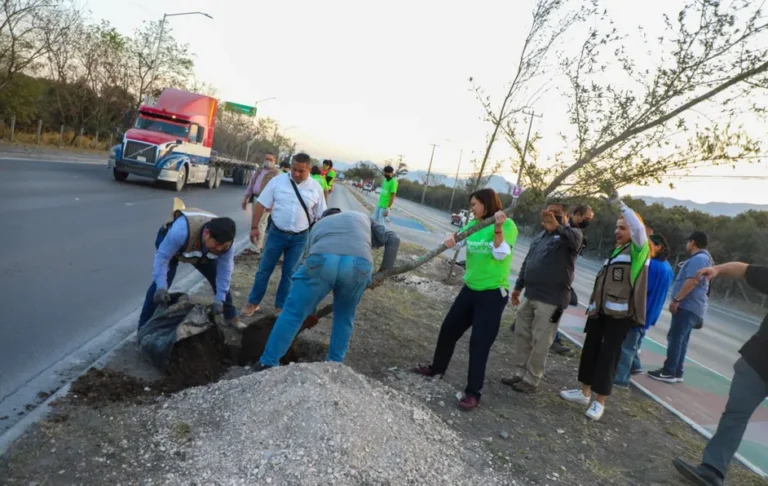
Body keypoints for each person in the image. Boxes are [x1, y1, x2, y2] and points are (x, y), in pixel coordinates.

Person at [414, 188, 519, 411]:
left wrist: (498, 228)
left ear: (487, 203)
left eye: (474, 205)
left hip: (492, 293)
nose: (471, 209)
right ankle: (437, 369)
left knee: (479, 344)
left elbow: (500, 254)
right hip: (470, 288)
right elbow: (458, 241)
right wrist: (451, 240)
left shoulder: (507, 226)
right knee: (448, 330)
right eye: (471, 205)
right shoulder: (475, 225)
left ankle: (473, 392)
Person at [255, 209, 401, 369]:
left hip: (321, 260)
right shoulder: (363, 217)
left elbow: (306, 262)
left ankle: (267, 363)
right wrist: (383, 273)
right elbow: (394, 239)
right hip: (358, 265)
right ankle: (334, 366)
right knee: (344, 318)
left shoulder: (318, 225)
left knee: (292, 313)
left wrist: (310, 311)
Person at [673, 262, 768, 486]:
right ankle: (712, 470)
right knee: (735, 415)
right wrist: (717, 270)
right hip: (758, 362)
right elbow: (745, 270)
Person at [559, 189, 650, 421]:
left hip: (619, 318)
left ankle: (600, 402)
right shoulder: (617, 250)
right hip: (600, 313)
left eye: (623, 227)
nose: (617, 231)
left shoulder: (639, 251)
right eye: (616, 227)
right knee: (590, 351)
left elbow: (639, 229)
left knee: (608, 358)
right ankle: (584, 393)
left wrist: (619, 204)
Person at [501, 202, 582, 393]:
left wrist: (559, 227)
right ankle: (519, 373)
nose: (552, 217)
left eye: (557, 214)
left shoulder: (572, 234)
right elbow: (529, 261)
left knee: (542, 341)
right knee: (522, 334)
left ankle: (532, 380)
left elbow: (575, 243)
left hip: (553, 301)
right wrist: (518, 287)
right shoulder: (540, 236)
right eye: (549, 213)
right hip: (530, 295)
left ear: (566, 215)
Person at [241, 153, 327, 316]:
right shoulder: (278, 181)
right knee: (264, 270)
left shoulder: (316, 188)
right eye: (294, 169)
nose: (296, 174)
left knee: (290, 273)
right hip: (276, 234)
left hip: (300, 238)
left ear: (309, 169)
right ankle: (253, 303)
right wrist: (254, 227)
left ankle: (281, 307)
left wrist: (319, 239)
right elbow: (261, 204)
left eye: (301, 171)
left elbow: (321, 215)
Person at [138, 202, 239, 329]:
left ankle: (230, 316)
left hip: (202, 252)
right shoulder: (179, 232)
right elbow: (162, 258)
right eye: (217, 244)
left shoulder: (225, 245)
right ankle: (143, 327)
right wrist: (161, 285)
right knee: (159, 289)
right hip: (172, 245)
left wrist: (220, 299)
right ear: (207, 233)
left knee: (219, 281)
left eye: (224, 246)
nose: (219, 249)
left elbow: (225, 271)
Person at [649, 231, 712, 384]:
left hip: (687, 306)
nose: (687, 245)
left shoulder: (699, 259)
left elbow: (692, 281)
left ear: (693, 242)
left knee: (675, 338)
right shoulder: (705, 258)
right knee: (681, 340)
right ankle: (677, 371)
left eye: (688, 241)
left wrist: (677, 300)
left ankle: (669, 371)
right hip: (692, 307)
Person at [614, 233, 674, 387]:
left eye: (648, 244)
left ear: (658, 247)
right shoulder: (667, 267)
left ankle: (620, 379)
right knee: (634, 343)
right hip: (650, 313)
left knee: (627, 347)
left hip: (639, 311)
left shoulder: (652, 266)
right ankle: (635, 366)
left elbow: (642, 288)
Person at [241, 153, 280, 256]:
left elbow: (277, 191)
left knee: (261, 224)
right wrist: (245, 198)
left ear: (275, 161)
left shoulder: (276, 174)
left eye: (271, 159)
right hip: (255, 198)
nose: (268, 161)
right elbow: (251, 185)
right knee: (255, 223)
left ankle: (256, 248)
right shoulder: (259, 171)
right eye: (266, 159)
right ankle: (256, 245)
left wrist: (272, 204)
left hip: (266, 202)